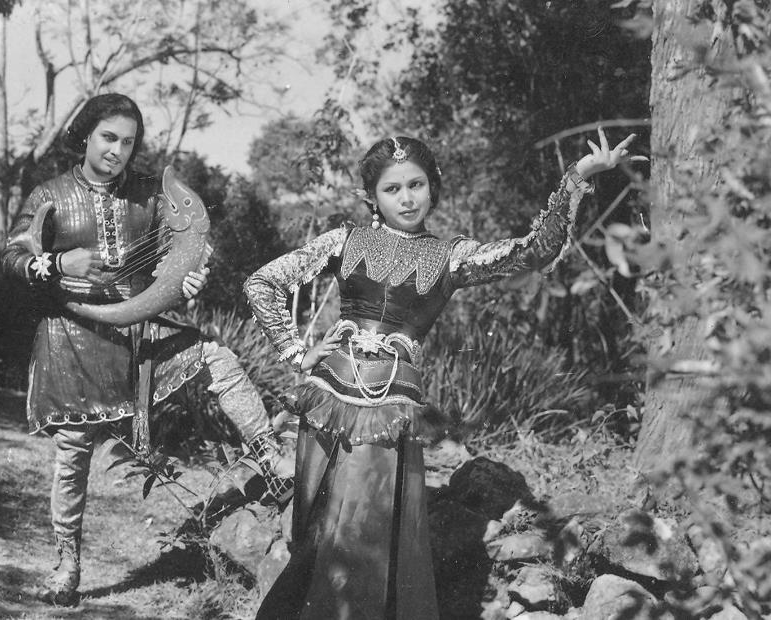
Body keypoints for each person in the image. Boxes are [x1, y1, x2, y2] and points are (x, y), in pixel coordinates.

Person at [244, 129, 642, 619]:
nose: (406, 198)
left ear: (433, 187)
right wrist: (295, 351)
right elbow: (262, 282)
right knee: (318, 532)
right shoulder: (344, 241)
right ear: (371, 197)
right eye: (392, 189)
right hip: (325, 403)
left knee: (363, 533)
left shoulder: (450, 256)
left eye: (416, 185)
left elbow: (532, 250)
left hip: (389, 413)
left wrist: (578, 176)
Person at [2, 93, 289, 607]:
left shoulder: (149, 196)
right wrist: (60, 264)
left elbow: (173, 256)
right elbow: (12, 257)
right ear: (85, 135)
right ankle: (66, 564)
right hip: (72, 336)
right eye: (108, 138)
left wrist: (188, 280)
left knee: (217, 358)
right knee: (73, 451)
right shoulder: (50, 194)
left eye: (128, 142)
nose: (117, 151)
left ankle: (271, 459)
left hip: (141, 333)